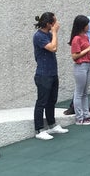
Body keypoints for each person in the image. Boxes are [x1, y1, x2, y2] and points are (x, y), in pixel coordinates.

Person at [32, 12, 69, 140]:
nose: (57, 24)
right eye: (54, 22)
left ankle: (51, 124)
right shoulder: (39, 36)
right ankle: (39, 129)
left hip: (53, 73)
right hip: (43, 74)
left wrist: (52, 33)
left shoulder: (48, 34)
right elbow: (53, 48)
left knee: (52, 100)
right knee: (41, 101)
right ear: (48, 24)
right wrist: (54, 32)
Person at [68, 15, 90, 126]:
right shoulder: (76, 39)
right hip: (80, 66)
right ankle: (79, 117)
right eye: (87, 24)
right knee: (79, 92)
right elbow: (75, 56)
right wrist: (89, 49)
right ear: (82, 25)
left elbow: (85, 51)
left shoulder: (85, 37)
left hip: (87, 65)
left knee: (85, 92)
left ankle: (86, 115)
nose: (88, 26)